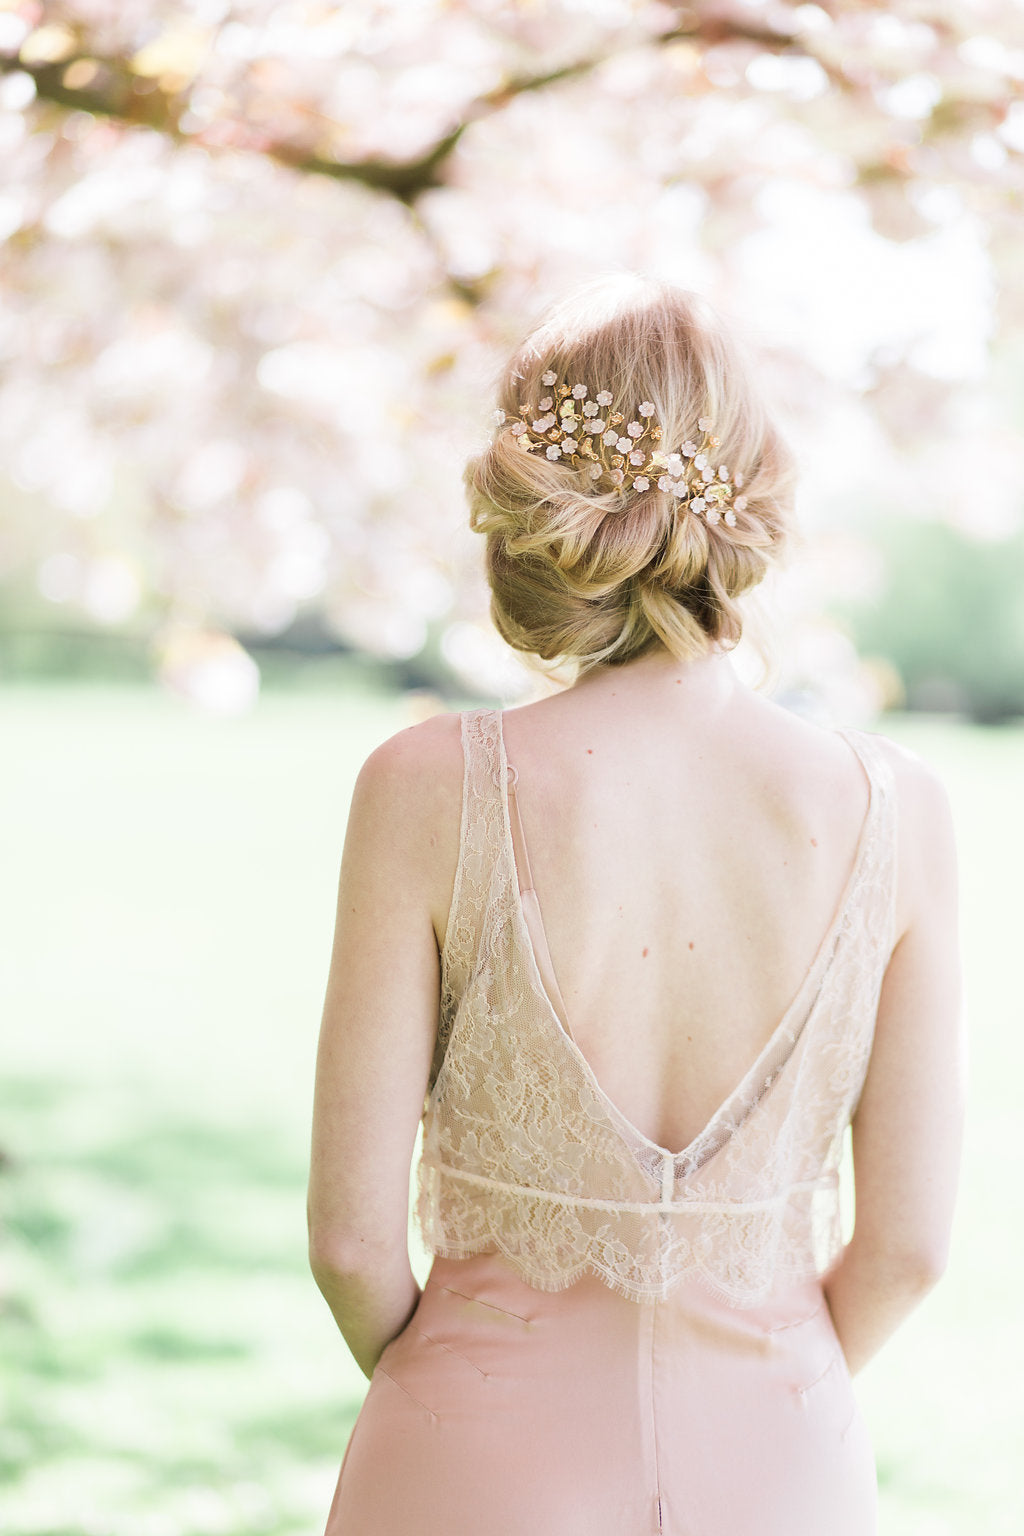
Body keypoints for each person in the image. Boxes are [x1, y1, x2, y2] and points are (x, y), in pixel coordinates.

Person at [307, 276, 965, 1535]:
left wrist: (454, 1388)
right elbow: (908, 1252)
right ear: (756, 487)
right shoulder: (899, 809)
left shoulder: (424, 787)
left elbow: (348, 1241)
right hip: (784, 1461)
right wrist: (771, 1387)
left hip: (470, 1452)